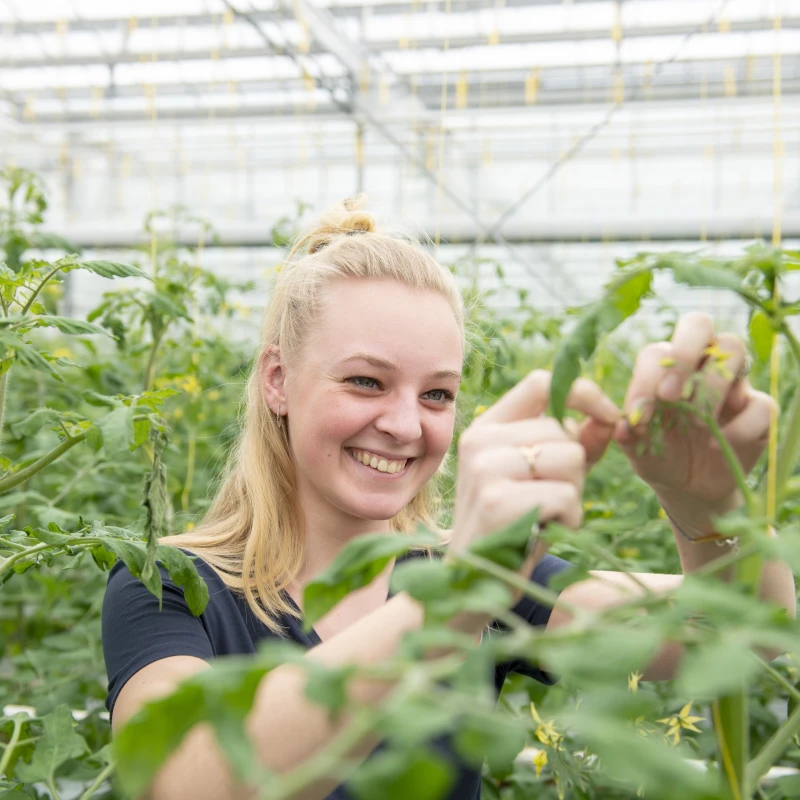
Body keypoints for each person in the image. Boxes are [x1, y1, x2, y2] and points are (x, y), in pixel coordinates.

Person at [102, 196, 796, 800]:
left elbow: (746, 630)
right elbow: (182, 778)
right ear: (278, 380)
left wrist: (708, 508)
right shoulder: (170, 585)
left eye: (437, 394)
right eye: (366, 382)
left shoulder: (478, 573)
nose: (407, 426)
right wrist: (457, 597)